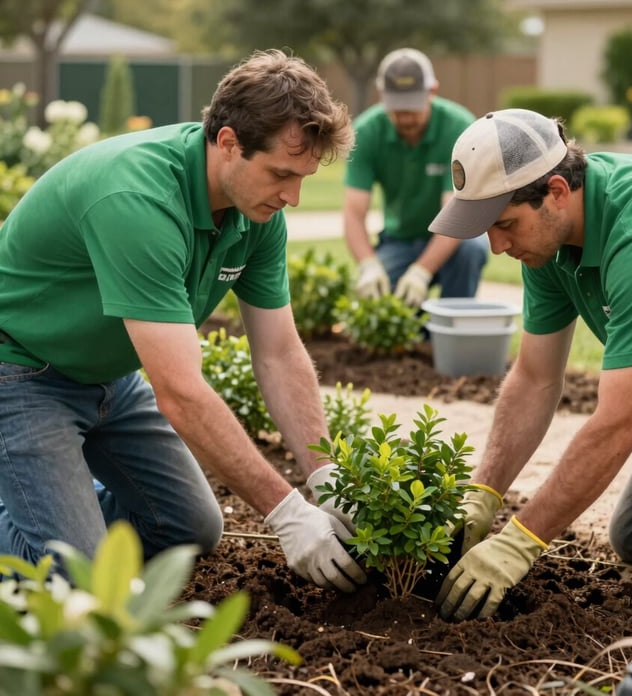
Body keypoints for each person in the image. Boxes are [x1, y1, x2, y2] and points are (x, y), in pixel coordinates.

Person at [0, 50, 367, 593]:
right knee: (80, 584)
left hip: (108, 378)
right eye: (282, 174)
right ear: (227, 143)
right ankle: (61, 542)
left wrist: (323, 473)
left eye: (304, 178)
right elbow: (179, 392)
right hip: (21, 371)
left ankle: (63, 526)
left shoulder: (255, 211)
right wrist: (287, 512)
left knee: (189, 526)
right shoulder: (137, 199)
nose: (293, 196)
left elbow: (279, 352)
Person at [428, 108, 632, 620]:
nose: (497, 246)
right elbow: (534, 378)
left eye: (504, 225)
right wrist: (484, 492)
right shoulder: (548, 240)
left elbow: (619, 425)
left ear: (558, 191)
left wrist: (520, 542)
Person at [343, 47, 488, 307]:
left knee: (472, 249)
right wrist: (368, 265)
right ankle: (421, 330)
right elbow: (354, 212)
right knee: (377, 305)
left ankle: (452, 326)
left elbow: (458, 216)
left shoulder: (459, 128)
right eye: (398, 109)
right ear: (383, 96)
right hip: (400, 240)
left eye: (412, 107)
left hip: (454, 239)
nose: (405, 117)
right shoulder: (366, 132)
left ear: (432, 91)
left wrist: (422, 270)